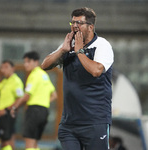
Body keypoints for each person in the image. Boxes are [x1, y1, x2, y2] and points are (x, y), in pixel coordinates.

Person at [41, 7, 114, 150]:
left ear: (91, 27)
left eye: (79, 23)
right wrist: (63, 49)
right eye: (72, 22)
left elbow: (96, 71)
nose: (75, 26)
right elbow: (45, 65)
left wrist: (79, 51)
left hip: (95, 123)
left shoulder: (102, 45)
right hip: (69, 125)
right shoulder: (69, 46)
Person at [10, 51, 57, 150]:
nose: (25, 64)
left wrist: (15, 107)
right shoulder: (44, 75)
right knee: (35, 143)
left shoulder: (34, 75)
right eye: (24, 62)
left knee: (29, 144)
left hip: (34, 111)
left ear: (36, 62)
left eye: (28, 61)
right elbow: (54, 95)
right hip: (44, 111)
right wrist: (43, 102)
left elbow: (26, 96)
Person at [0, 60, 24, 150]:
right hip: (1, 113)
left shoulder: (16, 81)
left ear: (13, 68)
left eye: (6, 67)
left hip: (8, 113)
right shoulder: (5, 81)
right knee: (2, 139)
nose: (3, 70)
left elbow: (20, 98)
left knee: (6, 140)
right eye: (2, 67)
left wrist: (6, 110)